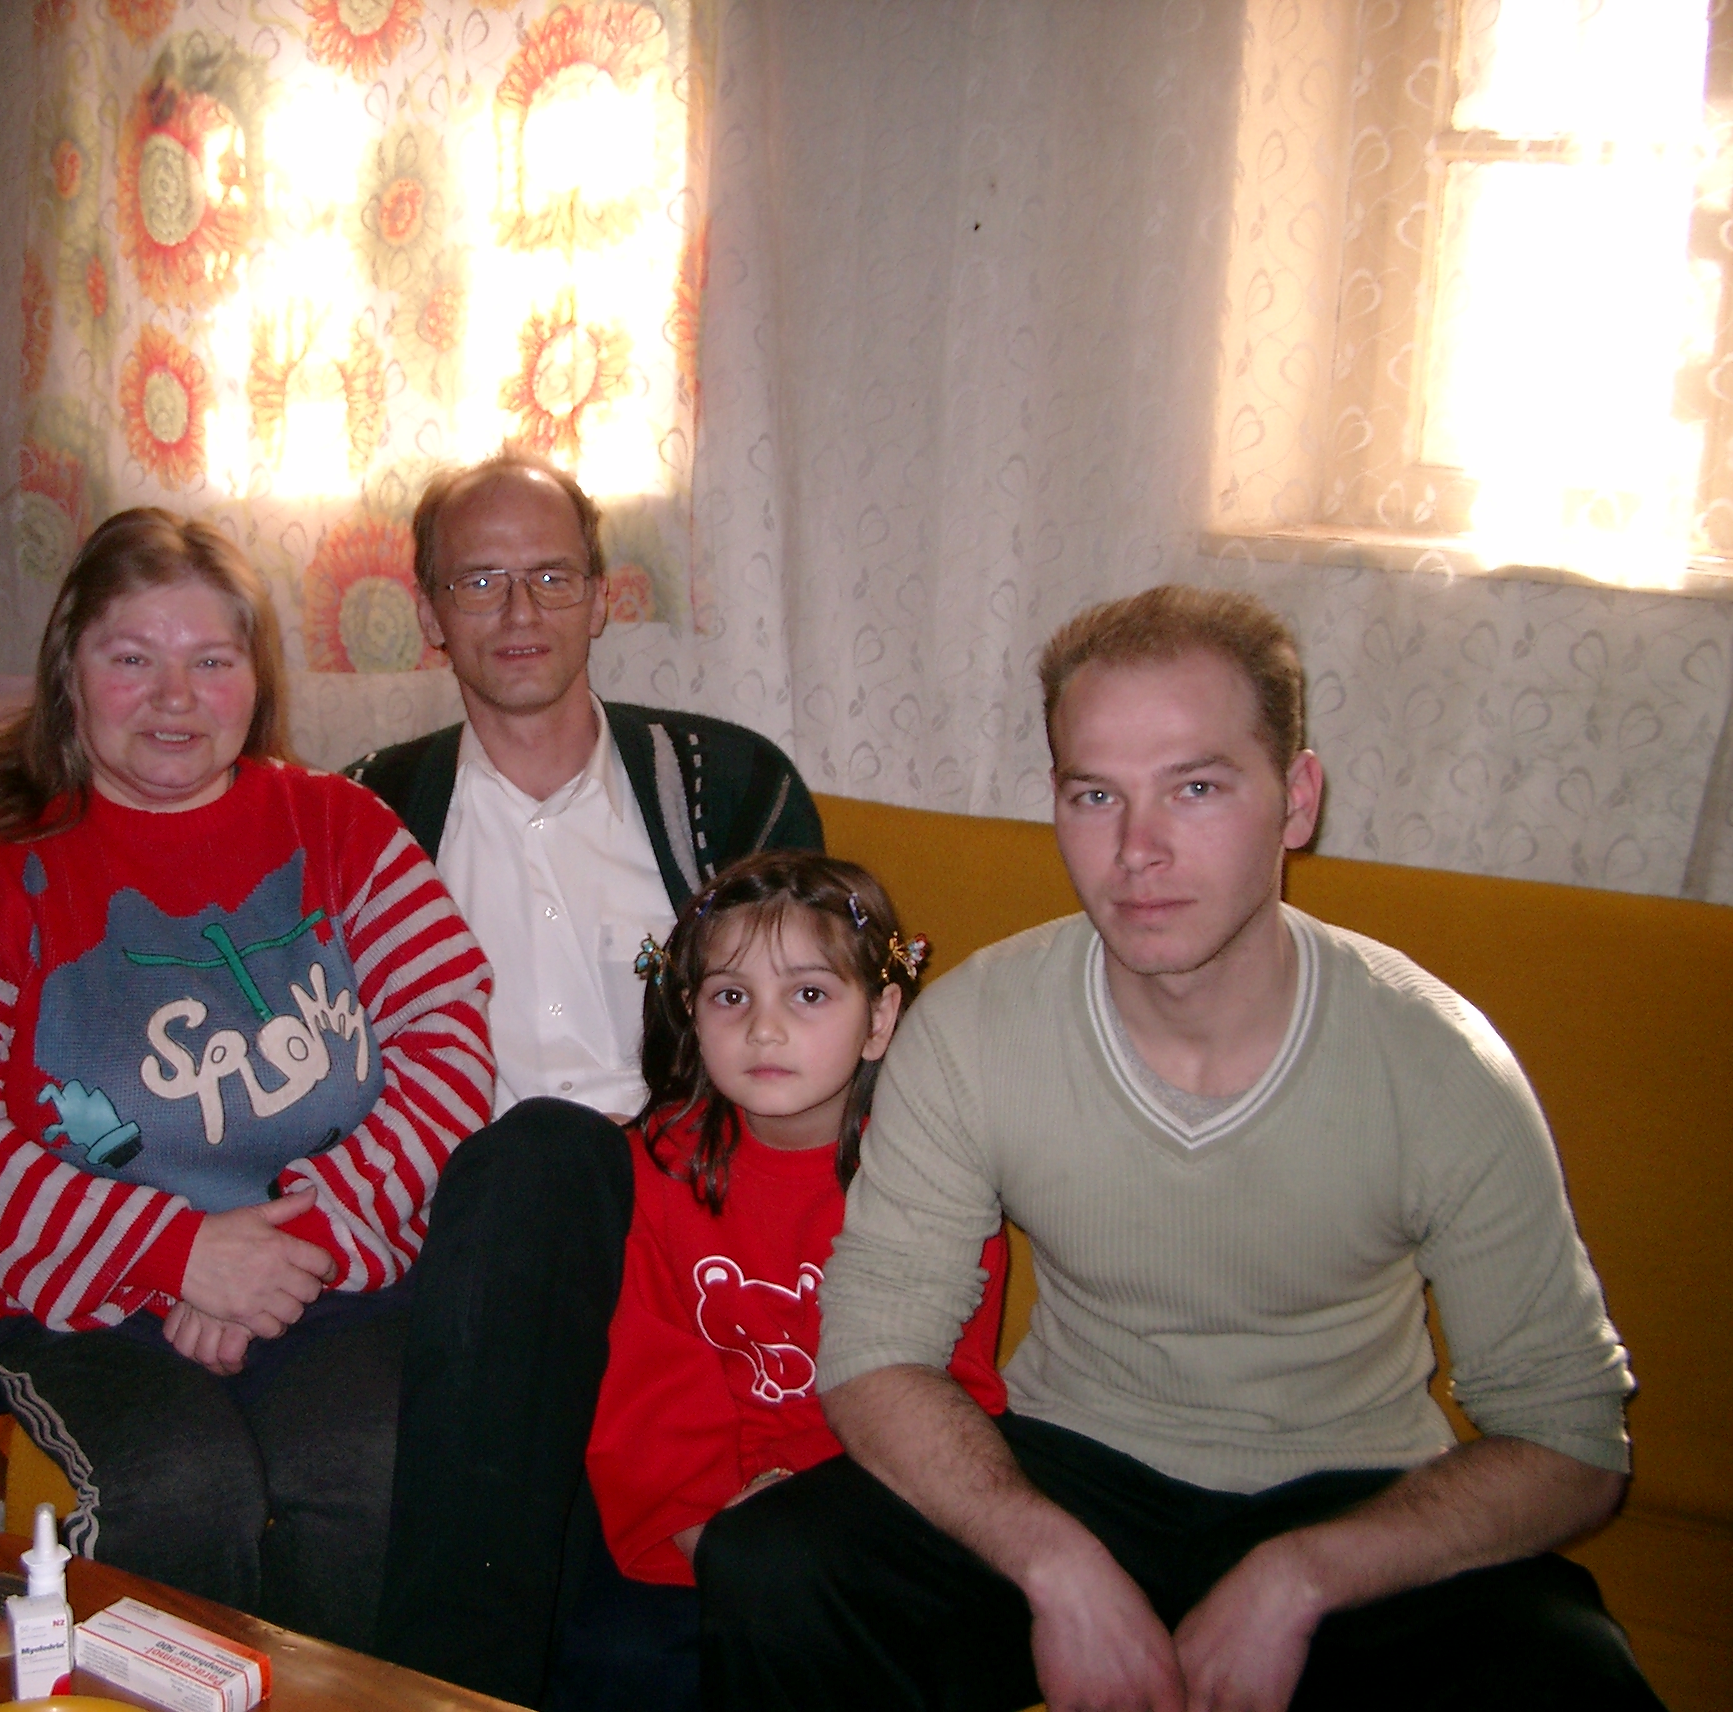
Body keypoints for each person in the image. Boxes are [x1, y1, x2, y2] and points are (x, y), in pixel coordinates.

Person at [697, 585, 1660, 1711]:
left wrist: (1303, 1577)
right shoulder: (974, 1029)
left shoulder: (1439, 1063)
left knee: (1571, 1674)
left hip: (1354, 1491)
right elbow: (874, 1348)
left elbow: (1569, 1433)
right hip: (1069, 1464)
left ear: (1297, 800)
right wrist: (1053, 1564)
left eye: (1196, 787)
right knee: (772, 1569)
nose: (1137, 850)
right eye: (1095, 794)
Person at [0, 509, 492, 1651]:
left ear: (255, 678)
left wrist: (298, 1245)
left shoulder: (340, 826)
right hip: (78, 1305)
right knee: (181, 1487)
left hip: (326, 1274)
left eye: (211, 660)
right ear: (69, 671)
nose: (174, 697)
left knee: (376, 1464)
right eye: (132, 657)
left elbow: (449, 1043)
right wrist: (180, 1252)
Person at [354, 449, 826, 1703]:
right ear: (429, 610)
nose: (519, 611)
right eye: (480, 580)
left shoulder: (730, 787)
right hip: (472, 1234)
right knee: (541, 1156)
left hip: (693, 1216)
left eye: (552, 576)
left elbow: (818, 1039)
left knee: (559, 1152)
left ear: (603, 595)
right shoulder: (367, 814)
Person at [568, 851, 1009, 1712]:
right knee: (613, 1664)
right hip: (691, 1520)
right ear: (690, 1013)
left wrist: (797, 1532)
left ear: (880, 1018)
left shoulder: (936, 1176)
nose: (764, 1030)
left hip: (868, 1510)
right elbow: (645, 1397)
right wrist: (718, 1537)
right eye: (731, 997)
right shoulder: (650, 1170)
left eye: (808, 994)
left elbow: (953, 1392)